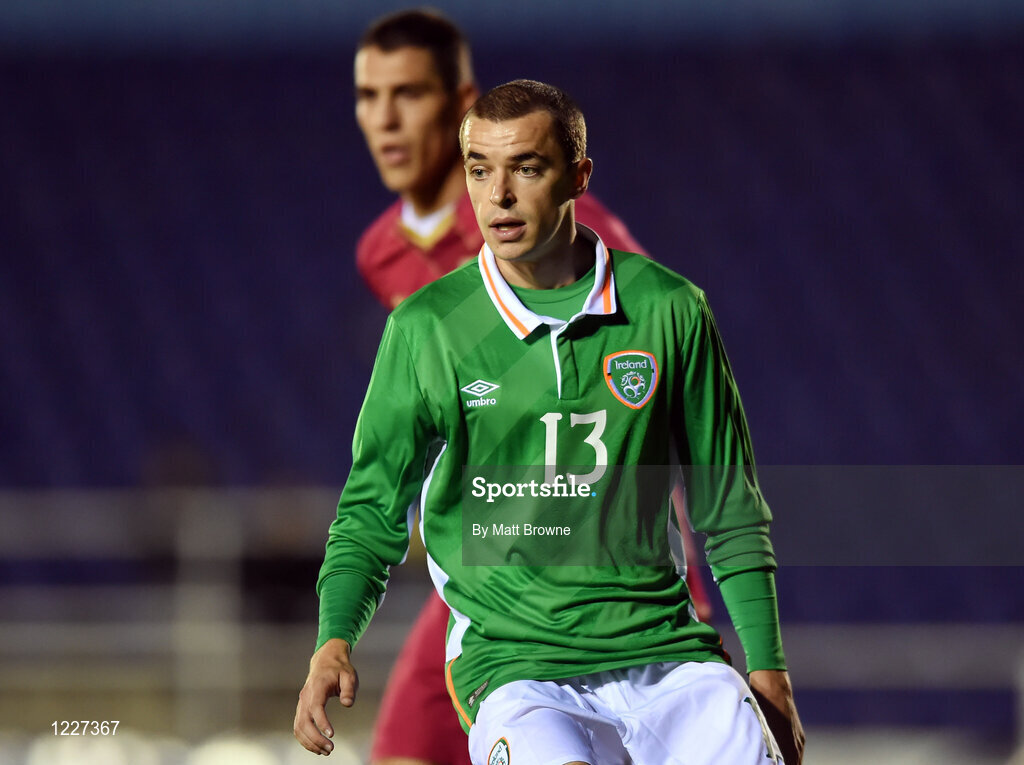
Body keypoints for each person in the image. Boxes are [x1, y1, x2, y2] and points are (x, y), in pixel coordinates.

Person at [296, 78, 804, 764]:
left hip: (670, 660)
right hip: (516, 669)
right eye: (480, 171)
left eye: (526, 169)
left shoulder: (669, 309)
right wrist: (335, 637)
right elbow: (370, 509)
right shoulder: (428, 328)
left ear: (578, 177)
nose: (497, 196)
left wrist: (768, 668)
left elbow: (730, 509)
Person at [348, 10, 711, 765]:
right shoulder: (383, 252)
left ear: (458, 105)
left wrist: (690, 590)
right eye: (368, 95)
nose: (384, 119)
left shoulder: (568, 232)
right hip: (491, 569)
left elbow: (645, 397)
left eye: (408, 94)